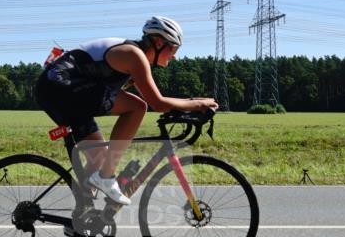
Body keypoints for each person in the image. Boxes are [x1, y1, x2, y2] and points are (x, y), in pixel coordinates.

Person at [34, 16, 218, 206]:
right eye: (173, 49)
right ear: (158, 43)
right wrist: (197, 103)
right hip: (60, 87)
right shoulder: (134, 55)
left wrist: (189, 104)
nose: (174, 56)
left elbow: (120, 95)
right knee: (137, 107)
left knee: (99, 157)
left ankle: (82, 216)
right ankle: (105, 177)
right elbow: (158, 103)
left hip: (60, 89)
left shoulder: (131, 58)